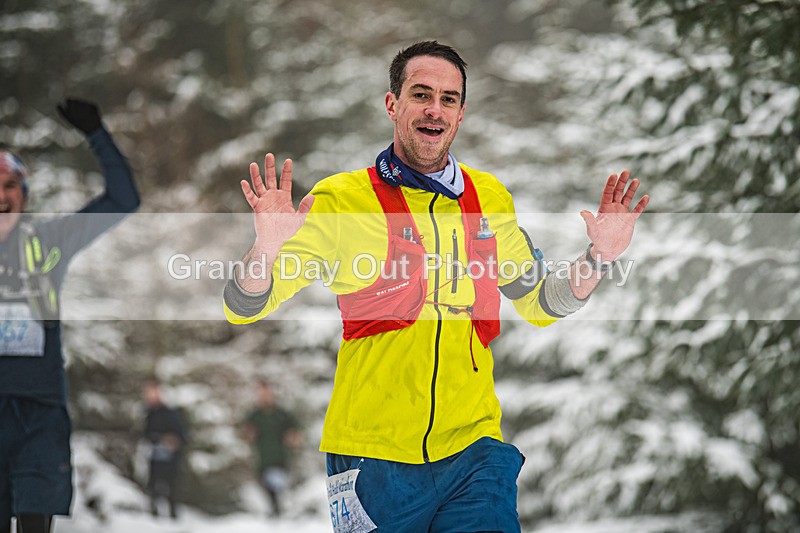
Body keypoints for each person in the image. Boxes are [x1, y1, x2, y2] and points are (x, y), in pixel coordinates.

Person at [223, 41, 649, 532]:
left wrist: (598, 257)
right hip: (373, 458)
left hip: (473, 450)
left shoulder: (489, 197)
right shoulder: (341, 200)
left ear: (461, 114)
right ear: (392, 105)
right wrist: (266, 250)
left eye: (449, 99)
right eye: (421, 94)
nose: (434, 108)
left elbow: (541, 301)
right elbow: (246, 303)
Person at [0, 98, 140, 533]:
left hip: (39, 413)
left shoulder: (49, 242)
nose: (1, 195)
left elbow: (122, 199)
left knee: (36, 522)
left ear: (23, 193)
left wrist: (97, 134)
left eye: (10, 185)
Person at [240, 379, 301, 518]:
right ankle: (275, 510)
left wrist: (293, 438)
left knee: (279, 484)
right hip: (263, 457)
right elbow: (245, 433)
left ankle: (283, 510)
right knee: (266, 485)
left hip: (281, 457)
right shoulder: (254, 415)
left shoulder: (282, 414)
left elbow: (295, 433)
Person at [142, 380, 187, 520]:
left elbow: (181, 435)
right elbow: (144, 434)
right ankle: (153, 515)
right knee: (153, 486)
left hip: (170, 458)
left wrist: (172, 441)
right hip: (154, 455)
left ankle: (173, 516)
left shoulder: (170, 413)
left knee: (171, 487)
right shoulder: (147, 413)